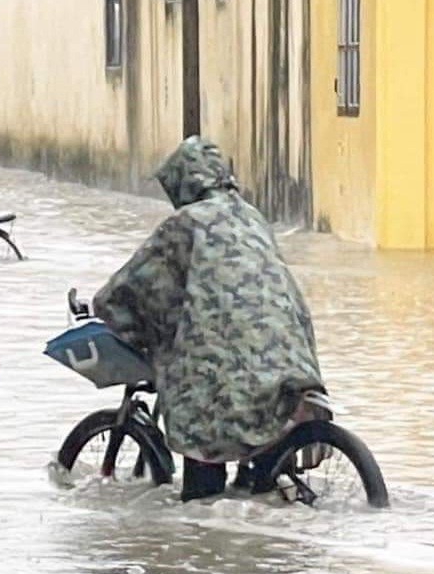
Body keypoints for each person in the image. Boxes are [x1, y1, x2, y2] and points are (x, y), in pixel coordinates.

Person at [92, 136, 326, 503]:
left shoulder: (186, 223)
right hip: (287, 351)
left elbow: (136, 282)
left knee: (199, 412)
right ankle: (264, 488)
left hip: (227, 364)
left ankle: (204, 509)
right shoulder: (252, 216)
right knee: (259, 437)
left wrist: (103, 307)